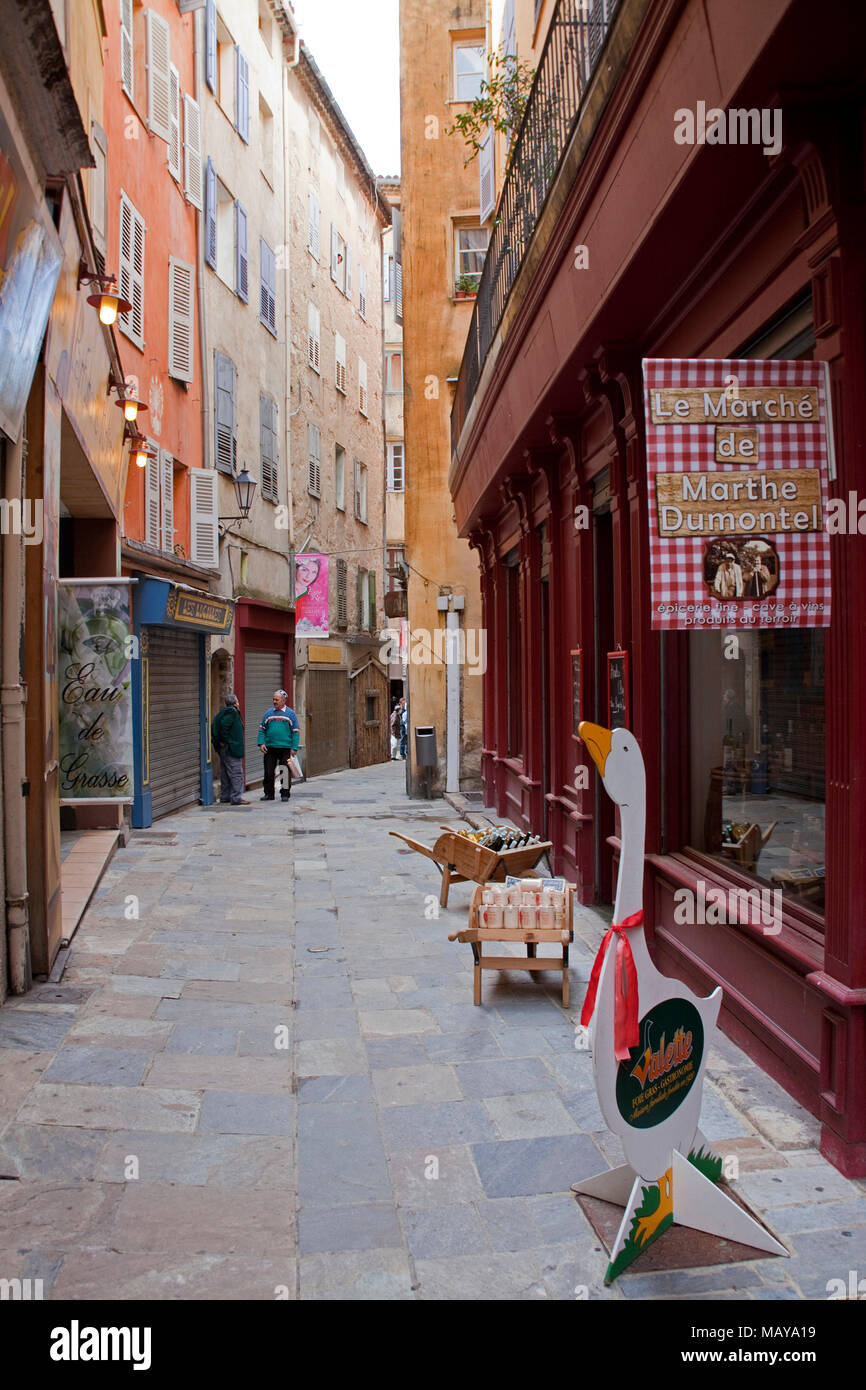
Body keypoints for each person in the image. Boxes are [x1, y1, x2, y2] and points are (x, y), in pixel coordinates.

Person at [257, 689, 300, 801]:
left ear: (284, 701)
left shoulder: (291, 714)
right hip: (270, 748)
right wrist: (261, 743)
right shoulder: (268, 713)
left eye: (277, 699)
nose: (274, 701)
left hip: (285, 748)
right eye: (273, 699)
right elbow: (262, 729)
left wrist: (294, 748)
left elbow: (295, 732)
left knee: (285, 771)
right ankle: (269, 794)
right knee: (268, 771)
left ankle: (285, 794)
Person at [211, 692, 248, 805]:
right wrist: (226, 741)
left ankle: (225, 796)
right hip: (231, 749)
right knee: (236, 773)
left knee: (226, 773)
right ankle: (236, 797)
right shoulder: (232, 713)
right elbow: (224, 726)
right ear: (236, 702)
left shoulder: (224, 712)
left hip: (225, 749)